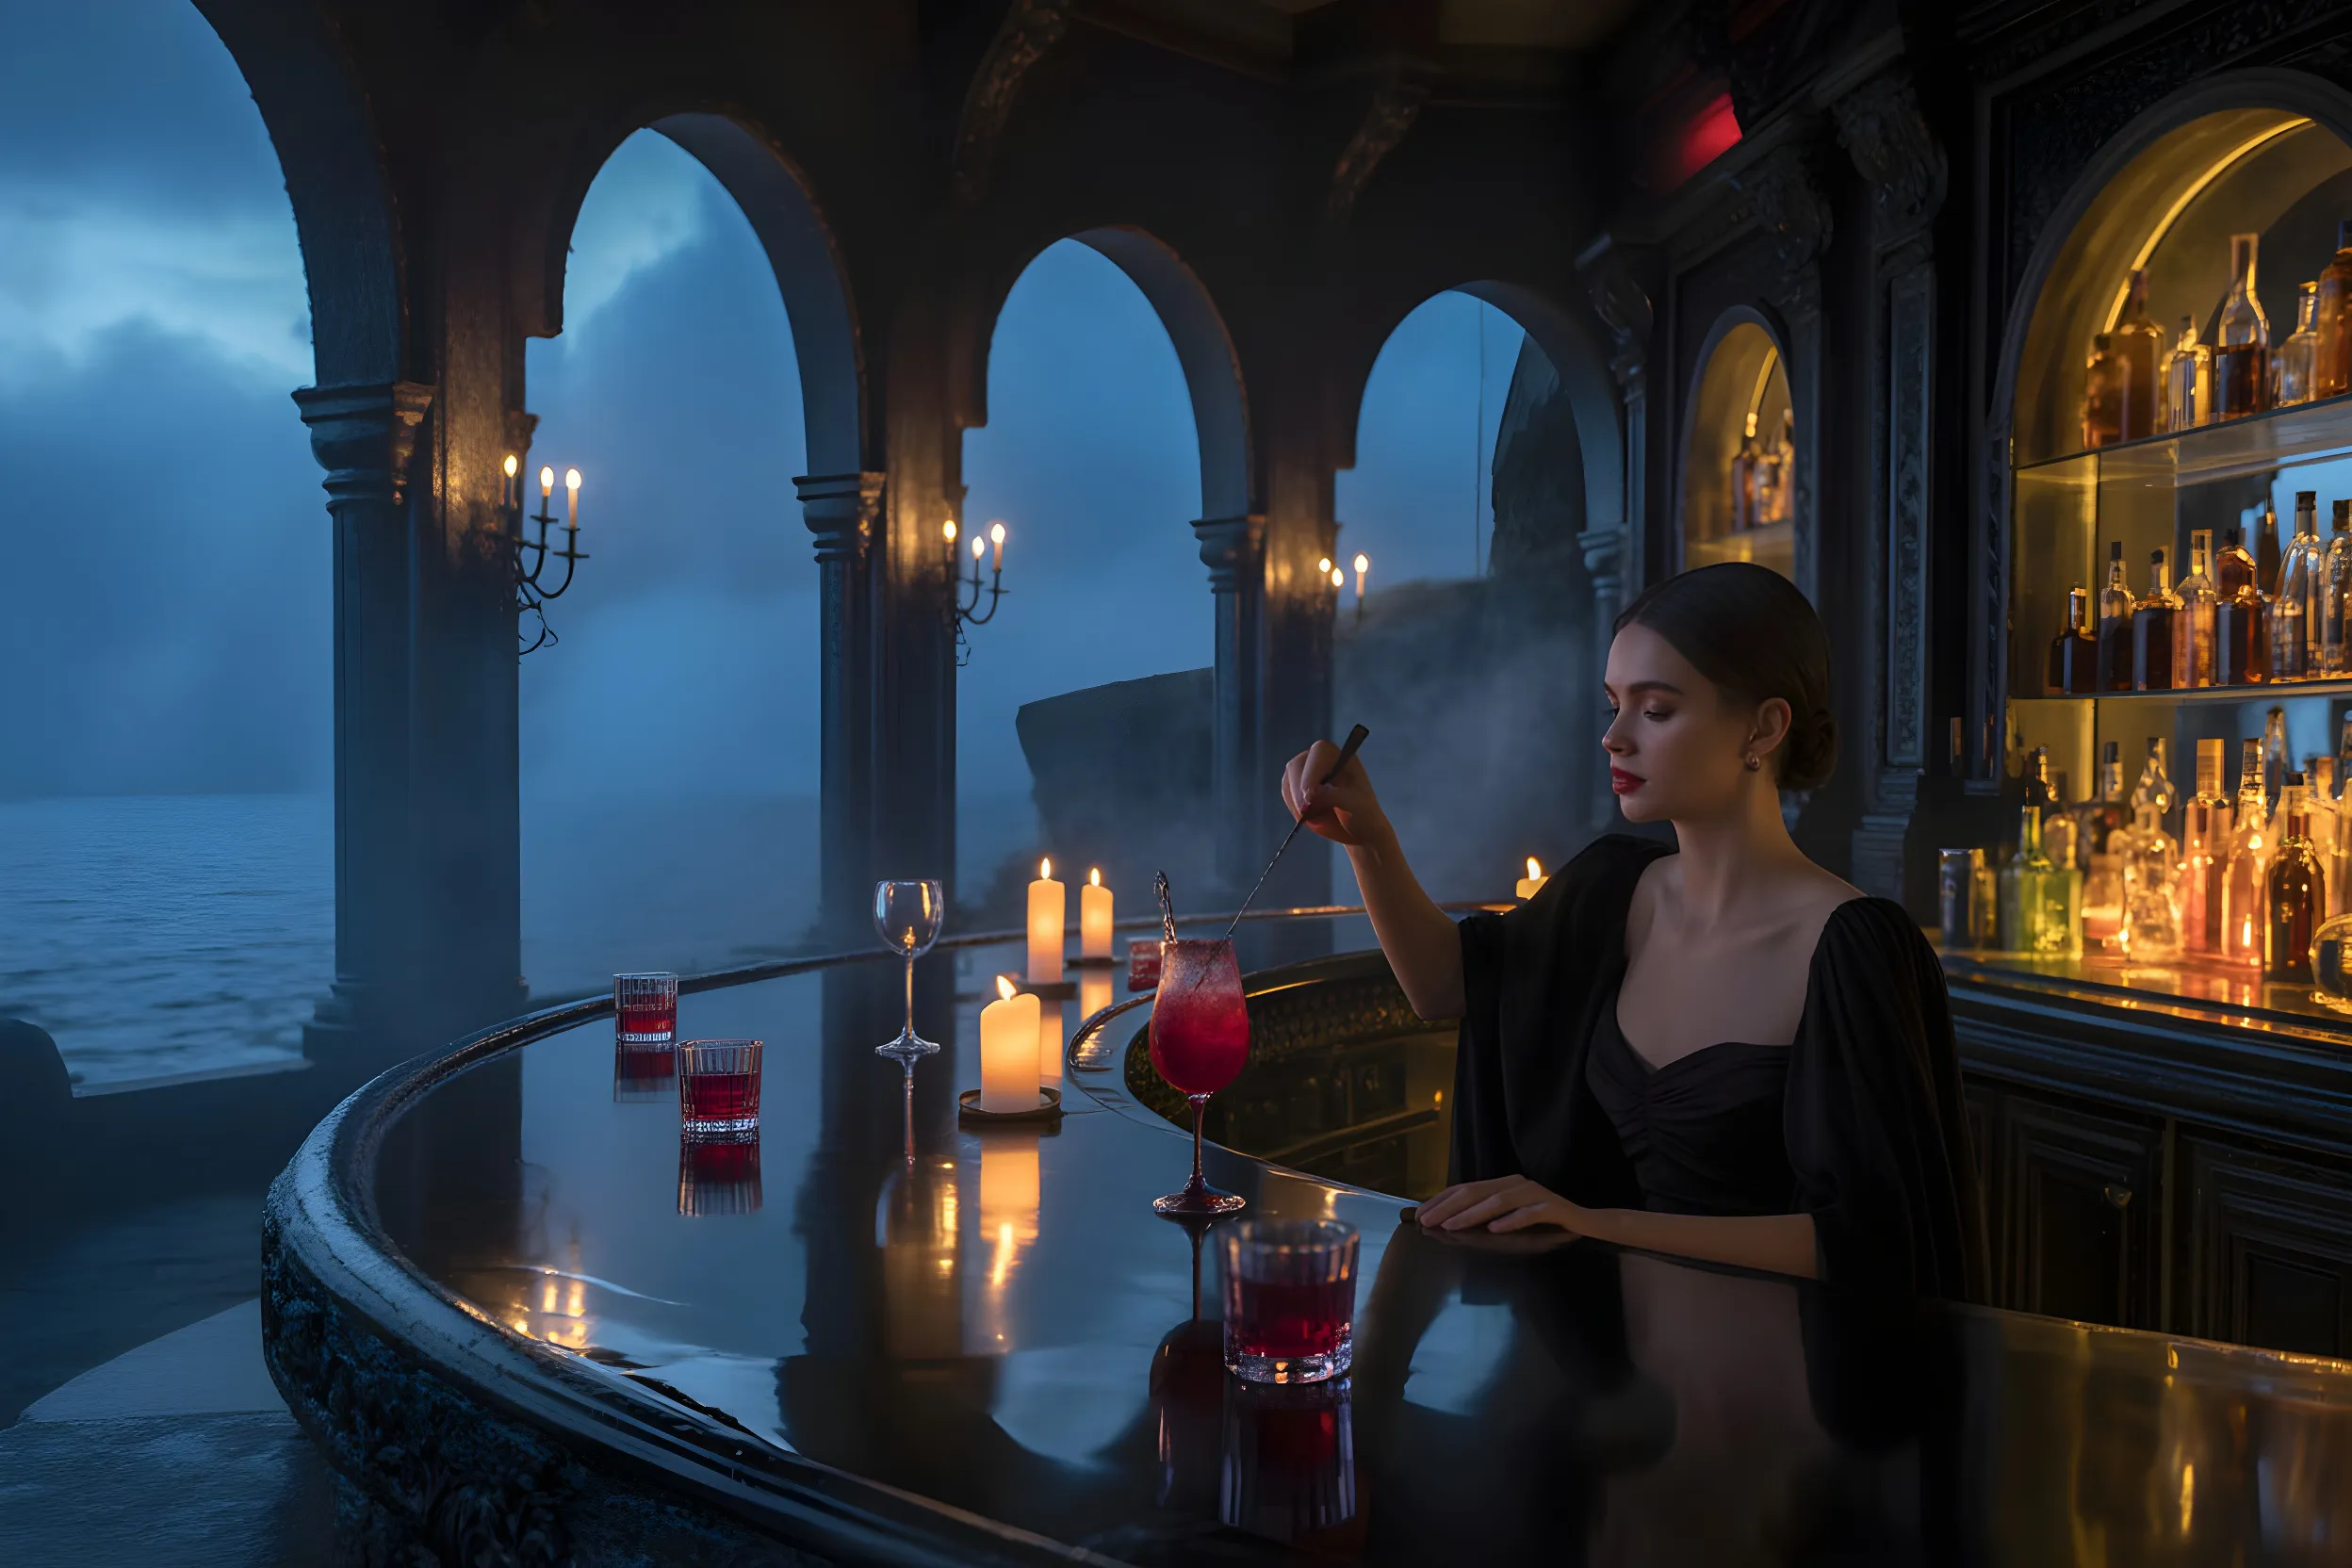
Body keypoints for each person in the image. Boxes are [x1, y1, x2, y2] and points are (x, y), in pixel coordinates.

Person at [1280, 562, 1986, 1299]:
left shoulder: (1849, 949)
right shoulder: (1610, 892)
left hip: (1779, 1378)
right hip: (1619, 1380)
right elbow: (1445, 986)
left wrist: (1591, 1223)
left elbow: (1871, 1240)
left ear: (1764, 726)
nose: (1615, 738)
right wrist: (1369, 838)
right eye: (1614, 705)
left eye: (1656, 710)